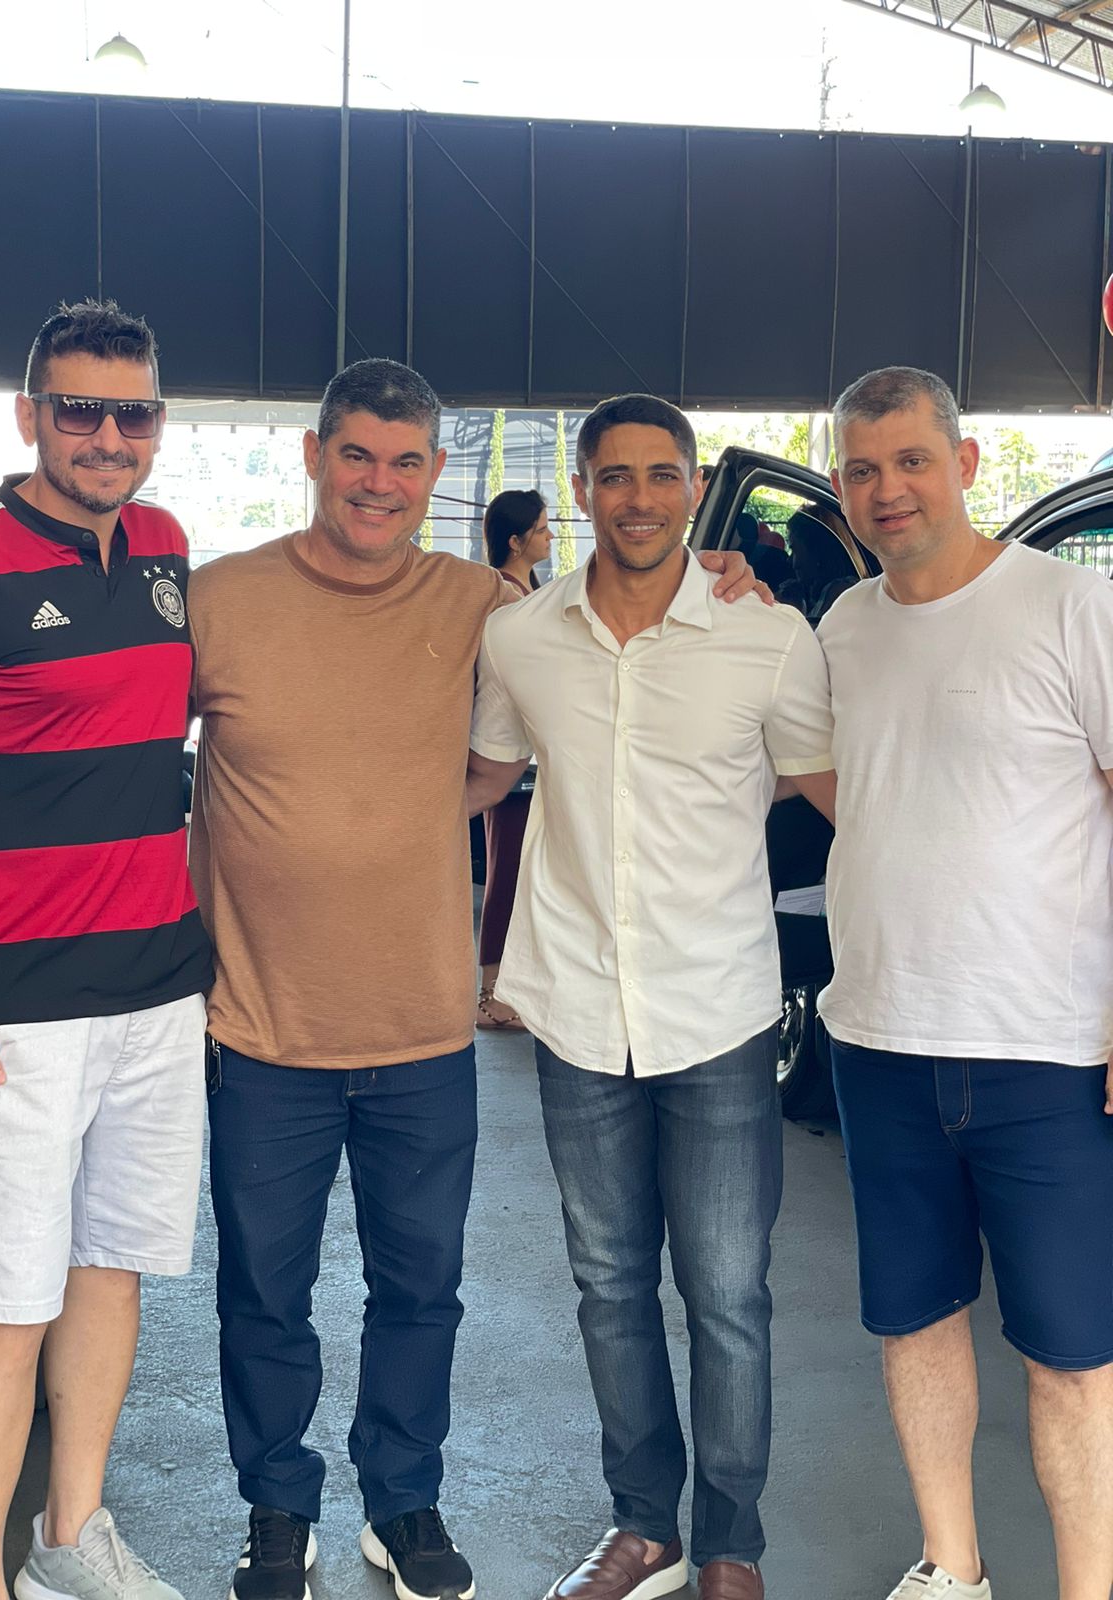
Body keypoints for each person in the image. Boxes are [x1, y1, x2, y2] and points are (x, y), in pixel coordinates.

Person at [187, 360, 764, 1600]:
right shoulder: (219, 599)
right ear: (313, 455)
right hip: (264, 1026)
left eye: (406, 462)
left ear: (437, 474)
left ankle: (403, 1500)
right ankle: (277, 1506)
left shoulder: (483, 608)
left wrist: (722, 575)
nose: (379, 483)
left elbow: (565, 672)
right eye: (357, 455)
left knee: (422, 1290)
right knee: (264, 1293)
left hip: (421, 1028)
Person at [466, 394, 837, 1600]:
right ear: (581, 488)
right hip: (576, 1007)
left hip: (716, 1007)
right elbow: (484, 775)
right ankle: (646, 1526)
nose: (638, 498)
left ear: (691, 487)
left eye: (661, 474)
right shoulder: (522, 637)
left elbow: (839, 791)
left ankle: (731, 1544)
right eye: (614, 476)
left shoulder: (765, 636)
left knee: (728, 1294)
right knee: (609, 1284)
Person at [0, 300, 211, 1600]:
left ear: (157, 422)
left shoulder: (168, 546)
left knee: (111, 1269)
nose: (106, 435)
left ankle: (69, 1540)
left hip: (155, 991)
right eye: (79, 408)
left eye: (131, 411)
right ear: (31, 413)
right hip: (11, 1009)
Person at [819, 365, 1113, 1600]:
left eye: (911, 460)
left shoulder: (1071, 607)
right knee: (915, 1318)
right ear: (841, 489)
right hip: (879, 1039)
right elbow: (844, 785)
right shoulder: (842, 627)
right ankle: (952, 1567)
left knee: (1073, 1354)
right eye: (862, 470)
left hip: (1047, 1050)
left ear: (966, 464)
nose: (888, 489)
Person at [475, 488, 554, 1030]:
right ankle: (491, 995)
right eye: (542, 529)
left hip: (531, 757)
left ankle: (511, 989)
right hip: (511, 759)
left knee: (525, 874)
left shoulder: (529, 590)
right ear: (515, 540)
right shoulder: (503, 596)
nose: (550, 537)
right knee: (507, 873)